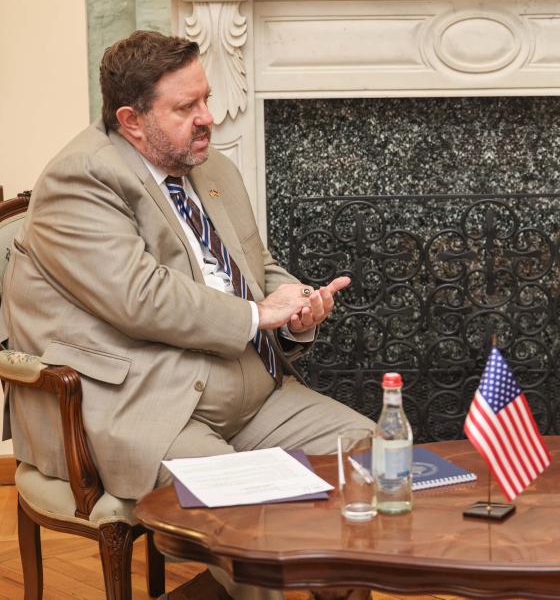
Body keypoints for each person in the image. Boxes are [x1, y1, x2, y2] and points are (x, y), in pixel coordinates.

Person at [1, 30, 373, 600]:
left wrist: (296, 304)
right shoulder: (81, 179)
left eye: (206, 98)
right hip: (144, 406)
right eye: (185, 107)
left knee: (371, 454)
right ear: (131, 120)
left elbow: (255, 262)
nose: (207, 118)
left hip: (248, 391)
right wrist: (257, 315)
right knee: (249, 520)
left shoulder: (209, 166)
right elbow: (140, 297)